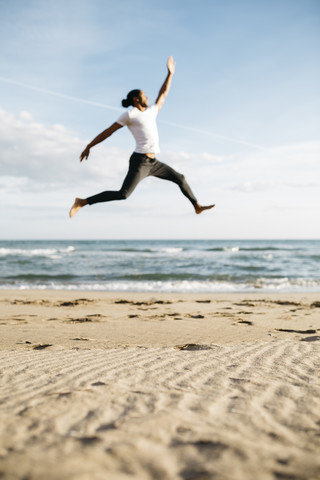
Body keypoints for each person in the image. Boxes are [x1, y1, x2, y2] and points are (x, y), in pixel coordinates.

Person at [69, 56, 214, 218]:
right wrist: (89, 146)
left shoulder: (151, 111)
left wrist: (170, 74)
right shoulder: (130, 114)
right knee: (123, 194)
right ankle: (82, 202)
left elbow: (163, 93)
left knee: (180, 178)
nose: (147, 97)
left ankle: (197, 206)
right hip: (140, 161)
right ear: (136, 99)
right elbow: (108, 131)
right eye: (144, 95)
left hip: (154, 162)